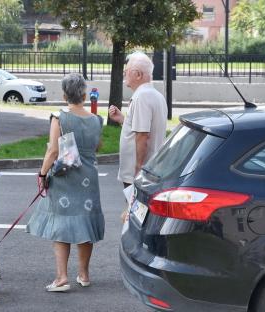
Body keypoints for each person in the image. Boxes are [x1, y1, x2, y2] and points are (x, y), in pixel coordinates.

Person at [26, 73, 104, 292]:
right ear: (84, 94)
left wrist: (42, 174)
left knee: (62, 225)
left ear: (64, 94)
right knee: (85, 223)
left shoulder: (59, 117)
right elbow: (97, 147)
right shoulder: (96, 120)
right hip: (89, 178)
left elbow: (53, 150)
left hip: (65, 177)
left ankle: (61, 278)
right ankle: (84, 274)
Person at [108, 51, 168, 221]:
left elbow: (142, 135)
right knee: (139, 217)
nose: (125, 73)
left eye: (127, 70)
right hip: (148, 170)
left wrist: (138, 170)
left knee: (134, 218)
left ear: (138, 74)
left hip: (139, 173)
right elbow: (142, 128)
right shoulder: (155, 95)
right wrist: (123, 120)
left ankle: (134, 247)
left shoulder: (142, 96)